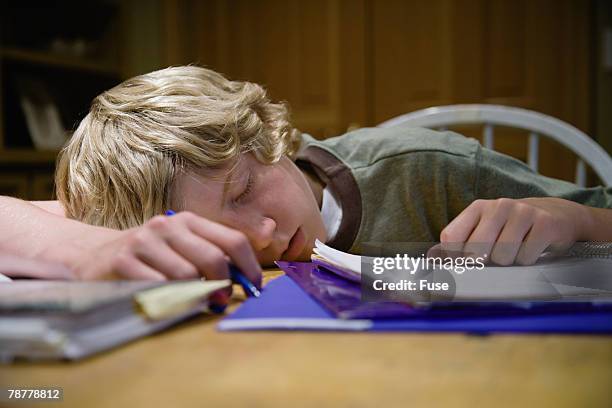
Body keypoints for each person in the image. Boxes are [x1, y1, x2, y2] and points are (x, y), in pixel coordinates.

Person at [1, 66, 611, 290]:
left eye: (242, 190)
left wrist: (577, 218)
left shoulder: (425, 171)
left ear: (267, 135)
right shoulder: (132, 225)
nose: (261, 234)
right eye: (211, 232)